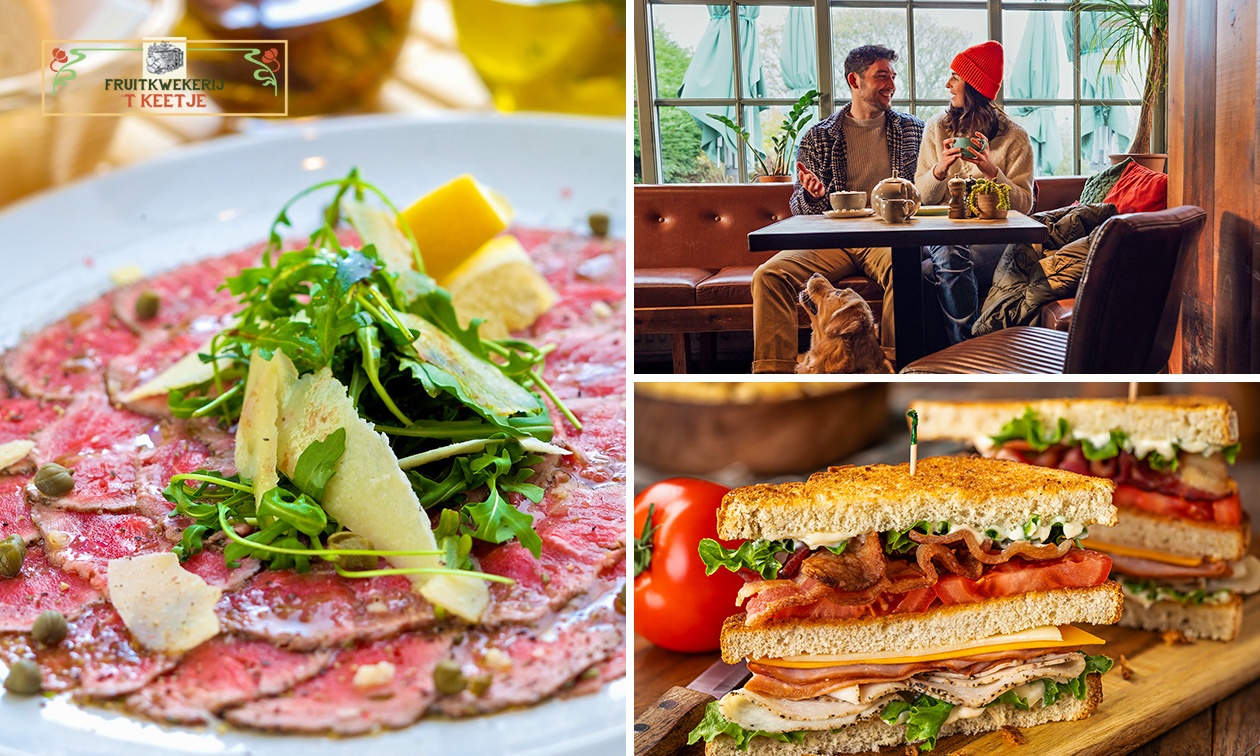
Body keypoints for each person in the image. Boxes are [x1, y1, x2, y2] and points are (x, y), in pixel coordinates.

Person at [750, 45, 923, 373]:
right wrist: (813, 196)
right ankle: (773, 381)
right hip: (832, 238)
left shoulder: (914, 129)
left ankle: (890, 371)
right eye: (881, 76)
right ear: (854, 80)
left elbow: (926, 189)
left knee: (905, 269)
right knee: (768, 275)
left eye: (893, 76)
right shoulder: (818, 136)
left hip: (889, 236)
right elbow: (798, 209)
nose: (891, 84)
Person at [913, 40, 1035, 346]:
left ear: (974, 86)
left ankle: (959, 354)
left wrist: (992, 172)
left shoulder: (1015, 137)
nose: (948, 85)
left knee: (930, 270)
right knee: (932, 257)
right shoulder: (937, 129)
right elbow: (920, 199)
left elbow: (1025, 206)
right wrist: (939, 170)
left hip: (992, 243)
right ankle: (962, 352)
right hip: (939, 238)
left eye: (955, 78)